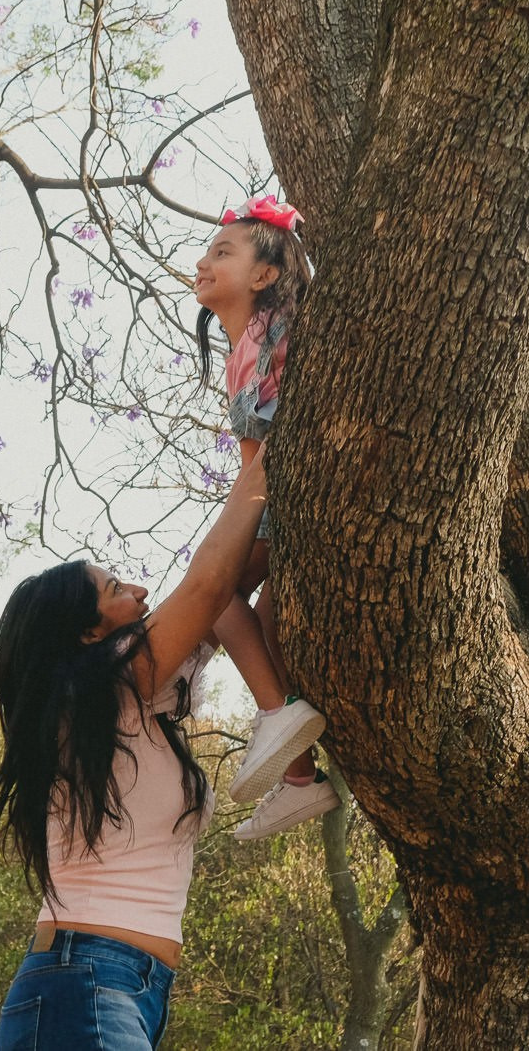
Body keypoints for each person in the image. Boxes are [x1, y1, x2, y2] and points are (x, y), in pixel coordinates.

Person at [0, 452, 269, 1050]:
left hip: (117, 985)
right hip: (85, 981)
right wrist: (264, 455)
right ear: (88, 633)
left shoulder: (132, 699)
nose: (140, 591)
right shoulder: (105, 683)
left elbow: (231, 592)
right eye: (115, 589)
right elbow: (208, 585)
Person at [193, 195, 342, 840]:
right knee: (273, 631)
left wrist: (233, 531)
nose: (203, 261)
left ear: (264, 274)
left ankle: (276, 714)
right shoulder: (248, 342)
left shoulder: (266, 333)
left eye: (223, 251)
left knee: (214, 590)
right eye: (206, 249)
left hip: (293, 496)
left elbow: (262, 457)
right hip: (291, 498)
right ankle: (301, 780)